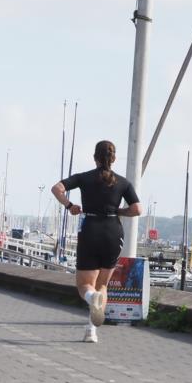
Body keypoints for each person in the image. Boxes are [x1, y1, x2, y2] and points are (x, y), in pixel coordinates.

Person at [51, 140, 142, 343]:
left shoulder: (84, 178)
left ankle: (91, 303)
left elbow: (57, 188)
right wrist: (119, 211)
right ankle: (91, 329)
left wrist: (70, 205)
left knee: (85, 284)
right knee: (102, 284)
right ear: (114, 159)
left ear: (94, 158)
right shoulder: (123, 182)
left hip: (91, 228)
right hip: (113, 232)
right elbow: (137, 209)